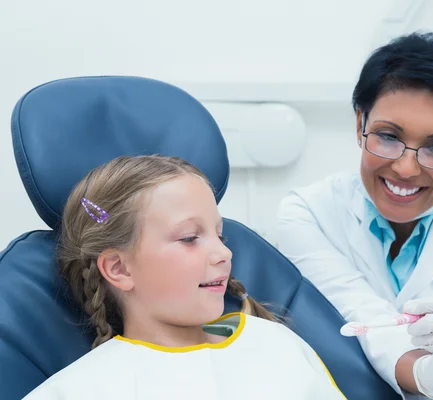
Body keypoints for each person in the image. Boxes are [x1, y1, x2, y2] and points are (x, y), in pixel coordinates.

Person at [275, 32, 433, 400]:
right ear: (360, 123)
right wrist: (430, 377)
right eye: (388, 136)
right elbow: (358, 310)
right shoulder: (308, 215)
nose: (406, 168)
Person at [23, 155, 345, 400]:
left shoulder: (276, 346)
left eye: (221, 236)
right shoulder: (81, 390)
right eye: (190, 238)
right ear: (119, 269)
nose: (224, 254)